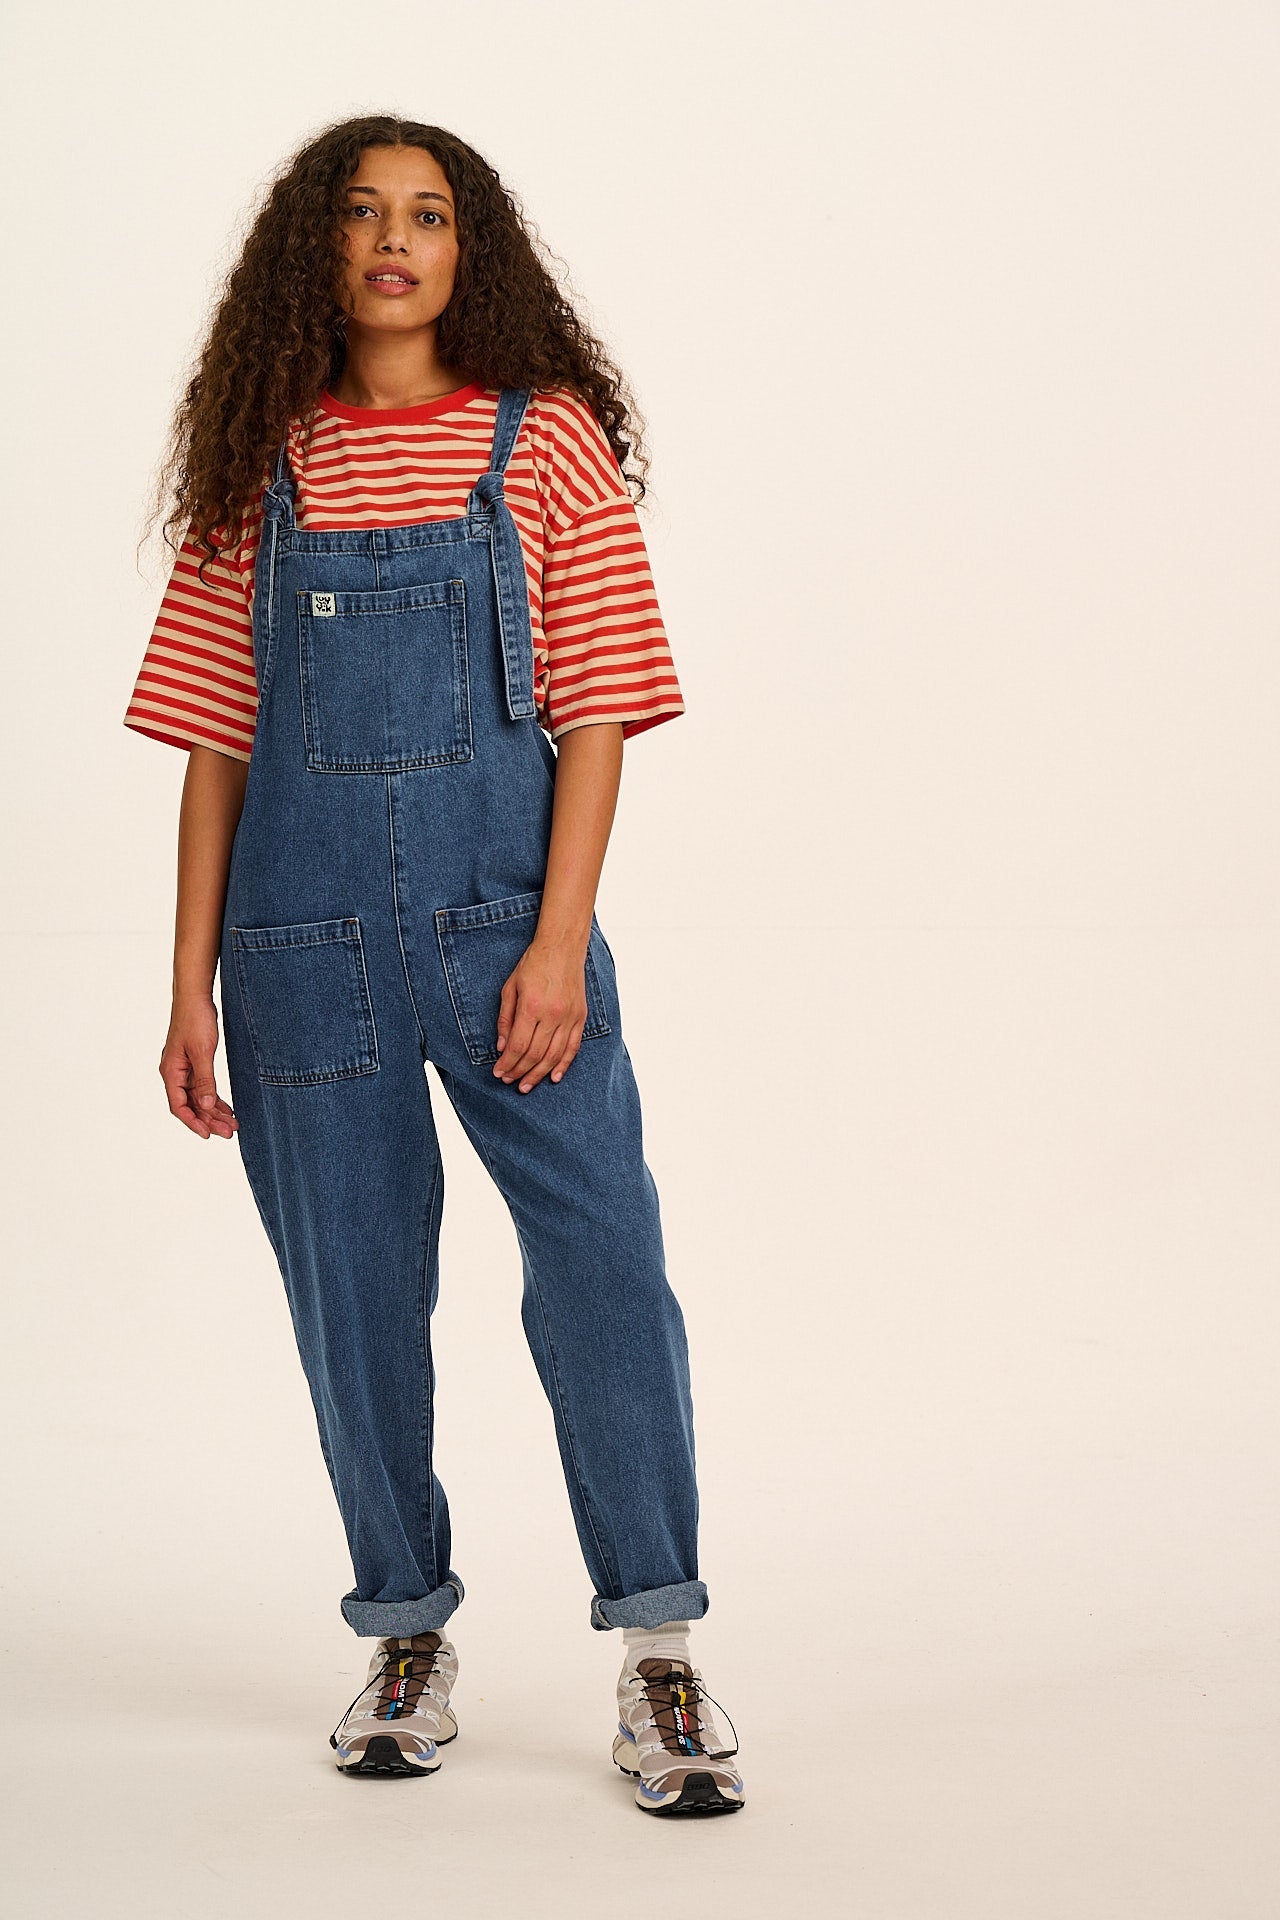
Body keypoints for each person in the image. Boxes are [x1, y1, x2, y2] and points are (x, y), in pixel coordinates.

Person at [122, 115, 744, 1818]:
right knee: (354, 1299)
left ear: (474, 253)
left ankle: (660, 1644)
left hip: (503, 937)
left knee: (605, 1264)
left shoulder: (544, 444)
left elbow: (601, 708)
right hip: (297, 947)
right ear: (312, 250)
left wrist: (559, 945)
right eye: (362, 213)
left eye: (431, 215)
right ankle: (402, 1632)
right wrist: (188, 984)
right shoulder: (261, 462)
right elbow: (217, 742)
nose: (396, 240)